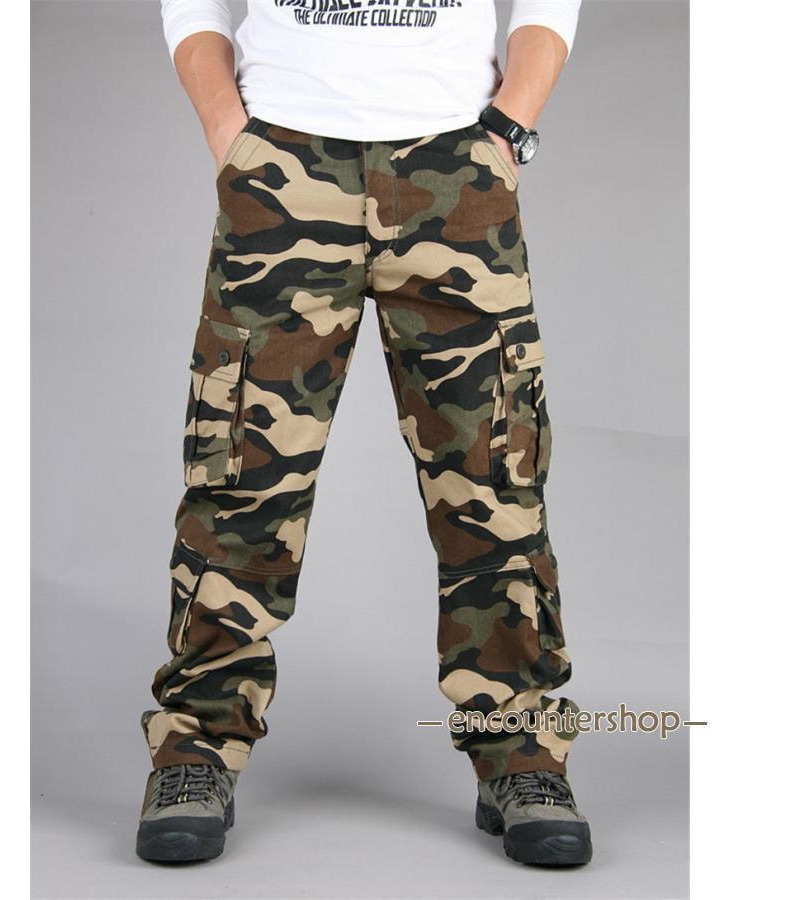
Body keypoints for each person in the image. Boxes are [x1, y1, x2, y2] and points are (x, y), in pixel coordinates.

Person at [137, 0, 591, 868]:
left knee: (493, 475)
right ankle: (195, 744)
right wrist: (228, 130)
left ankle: (521, 749)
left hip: (456, 165)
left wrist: (510, 126)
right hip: (284, 164)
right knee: (240, 478)